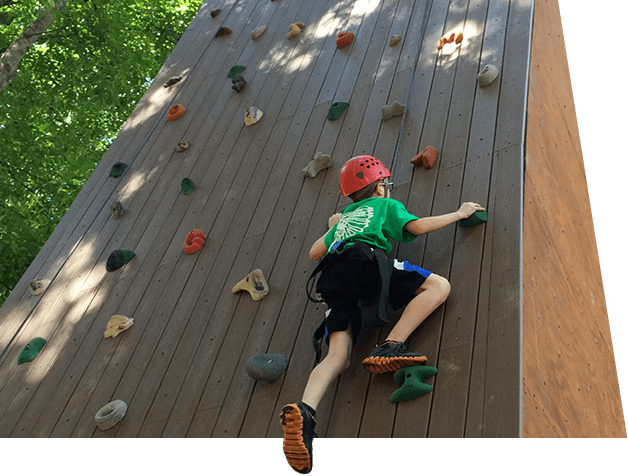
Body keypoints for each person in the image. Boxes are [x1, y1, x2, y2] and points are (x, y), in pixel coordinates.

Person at [279, 155, 485, 474]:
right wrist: (459, 213)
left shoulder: (344, 217)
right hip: (367, 265)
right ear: (380, 188)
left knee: (337, 356)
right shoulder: (384, 206)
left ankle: (305, 411)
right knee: (438, 287)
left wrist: (335, 225)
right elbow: (415, 226)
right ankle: (391, 345)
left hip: (332, 280)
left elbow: (314, 252)